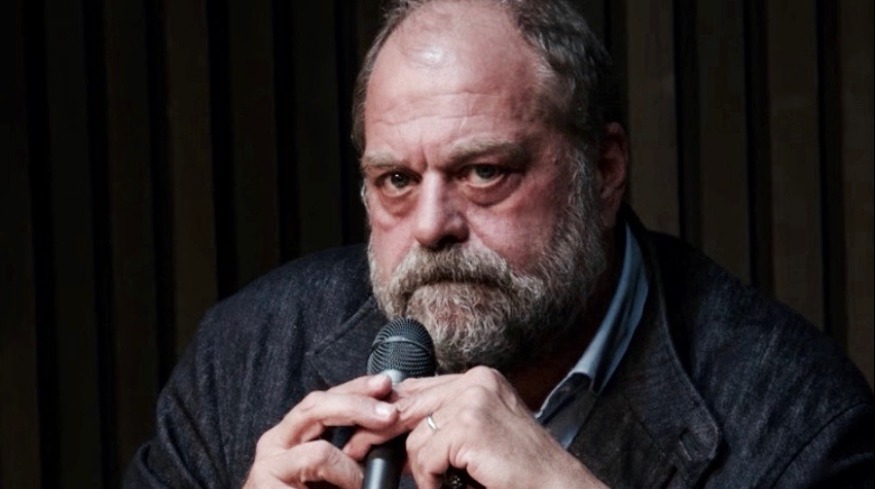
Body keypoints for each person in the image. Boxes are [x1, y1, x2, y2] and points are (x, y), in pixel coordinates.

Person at [124, 0, 874, 487]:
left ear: (603, 171)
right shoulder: (243, 362)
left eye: (483, 172)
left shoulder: (794, 421)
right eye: (395, 180)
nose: (430, 227)